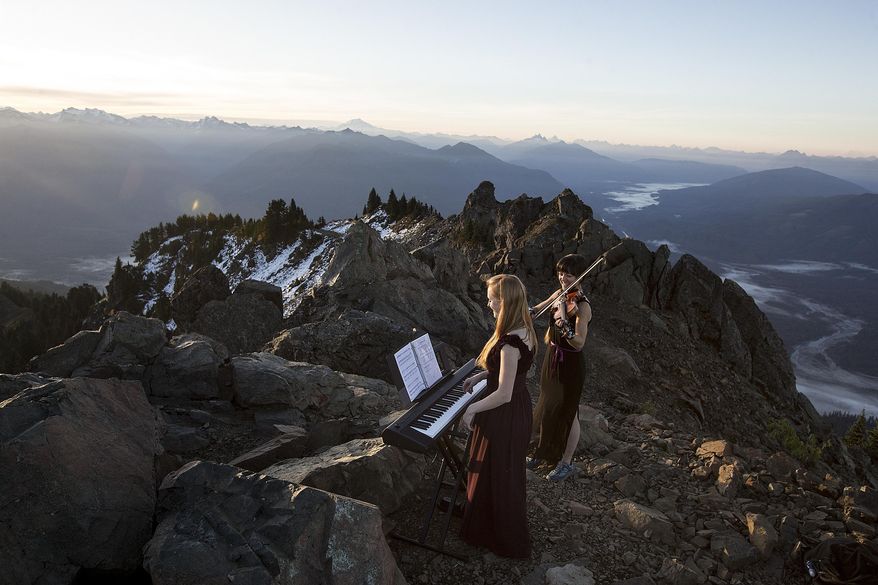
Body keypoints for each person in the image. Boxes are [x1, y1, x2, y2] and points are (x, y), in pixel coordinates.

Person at [458, 274, 535, 558]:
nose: (487, 302)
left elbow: (503, 393)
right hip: (516, 408)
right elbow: (510, 374)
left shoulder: (511, 343)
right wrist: (481, 375)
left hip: (504, 413)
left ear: (504, 302)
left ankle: (501, 539)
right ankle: (487, 528)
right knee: (498, 471)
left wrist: (471, 408)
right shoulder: (523, 328)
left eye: (491, 298)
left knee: (498, 472)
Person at [528, 254, 592, 481]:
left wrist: (566, 326)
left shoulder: (582, 307)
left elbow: (580, 341)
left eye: (569, 274)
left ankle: (566, 463)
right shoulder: (561, 295)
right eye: (561, 273)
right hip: (553, 357)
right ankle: (542, 453)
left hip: (570, 364)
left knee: (569, 413)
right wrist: (528, 311)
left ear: (579, 276)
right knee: (546, 406)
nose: (563, 278)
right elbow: (539, 307)